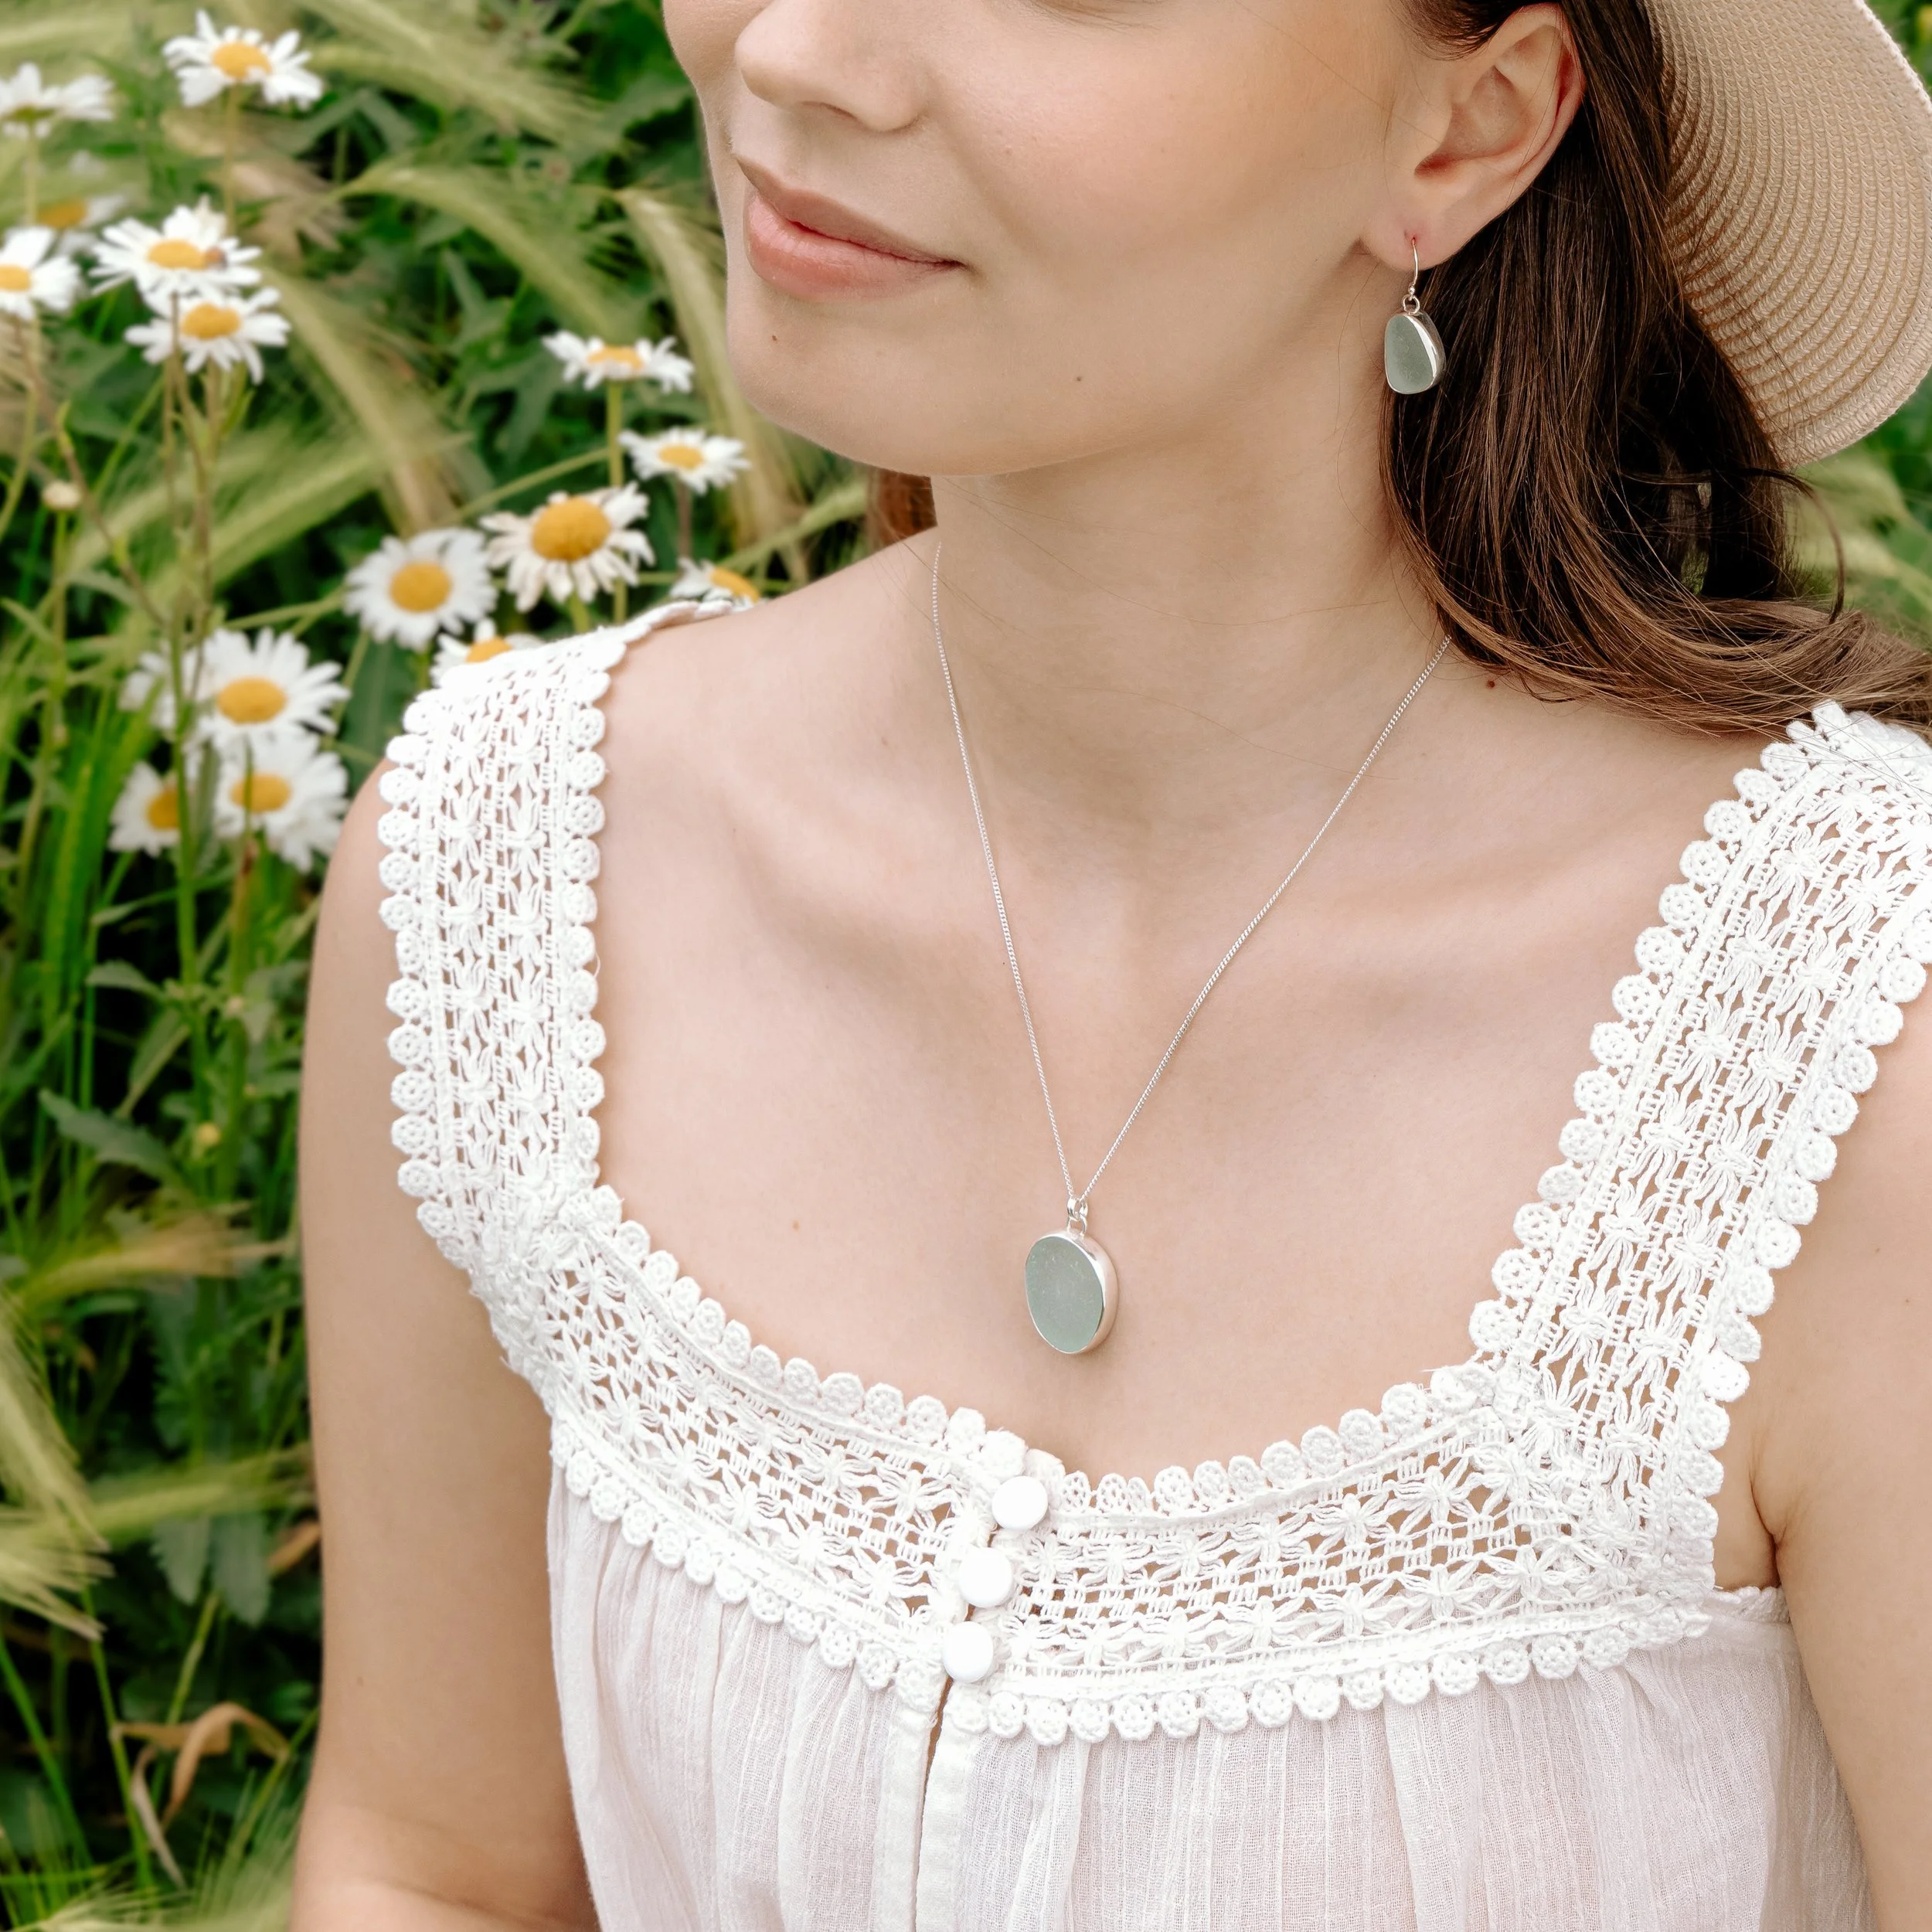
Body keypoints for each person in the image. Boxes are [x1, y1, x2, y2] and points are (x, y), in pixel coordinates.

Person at [291, 0, 1932, 1923]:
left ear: (1464, 135)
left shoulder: (1850, 1037)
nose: (802, 51)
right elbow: (441, 1865)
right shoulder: (506, 871)